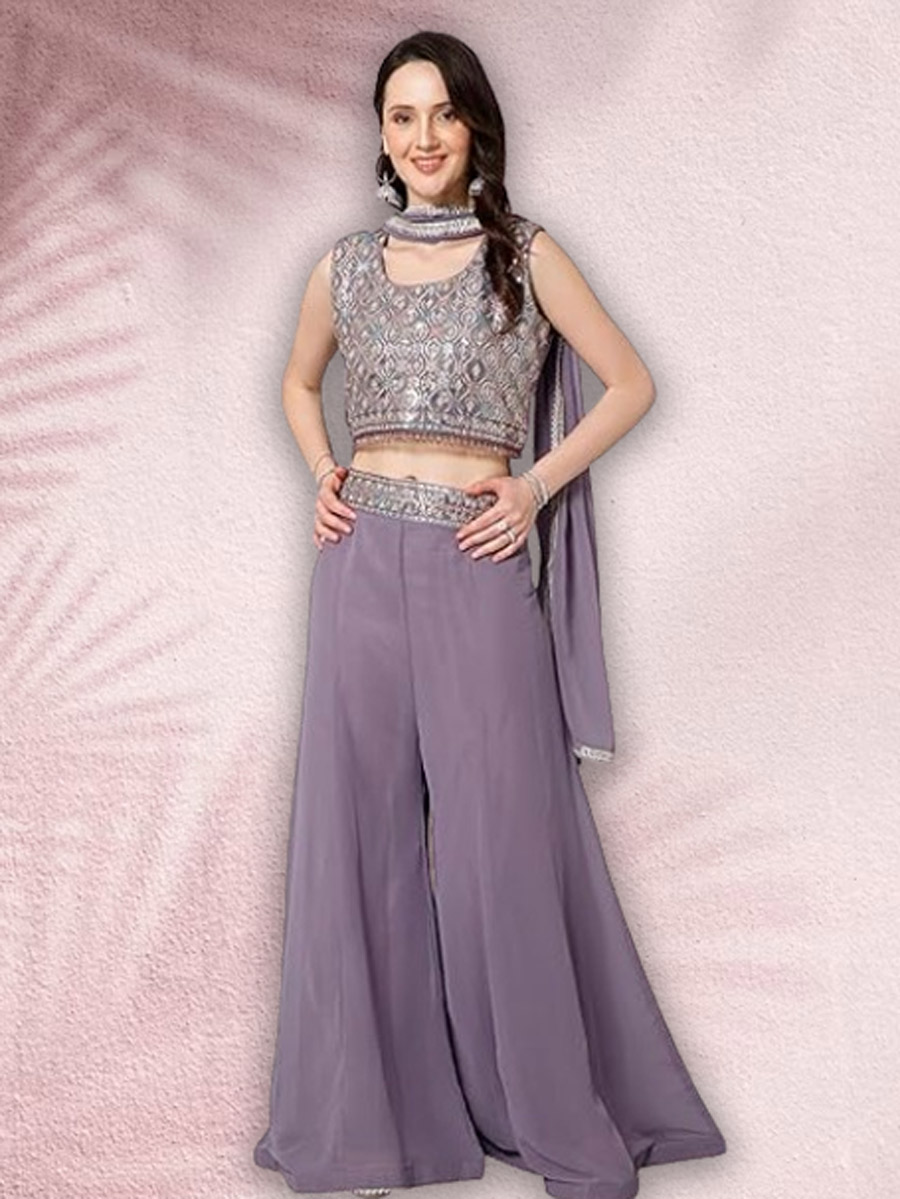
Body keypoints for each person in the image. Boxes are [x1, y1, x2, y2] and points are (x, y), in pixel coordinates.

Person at [253, 29, 727, 1199]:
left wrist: (534, 486)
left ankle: (553, 1114)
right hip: (360, 565)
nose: (423, 137)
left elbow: (631, 382)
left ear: (475, 126)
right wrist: (322, 469)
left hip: (476, 565)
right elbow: (298, 380)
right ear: (381, 133)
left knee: (500, 844)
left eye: (443, 114)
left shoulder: (526, 253)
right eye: (401, 116)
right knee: (354, 842)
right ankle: (371, 1131)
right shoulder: (343, 265)